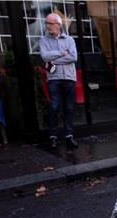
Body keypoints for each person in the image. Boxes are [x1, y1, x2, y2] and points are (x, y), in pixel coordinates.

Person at [39, 13, 78, 149]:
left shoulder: (69, 40)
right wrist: (61, 53)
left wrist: (53, 57)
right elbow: (45, 57)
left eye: (50, 23)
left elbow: (73, 57)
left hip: (69, 78)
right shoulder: (44, 40)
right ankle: (53, 137)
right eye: (47, 23)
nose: (48, 26)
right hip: (54, 78)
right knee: (54, 107)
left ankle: (69, 136)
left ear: (58, 25)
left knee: (69, 108)